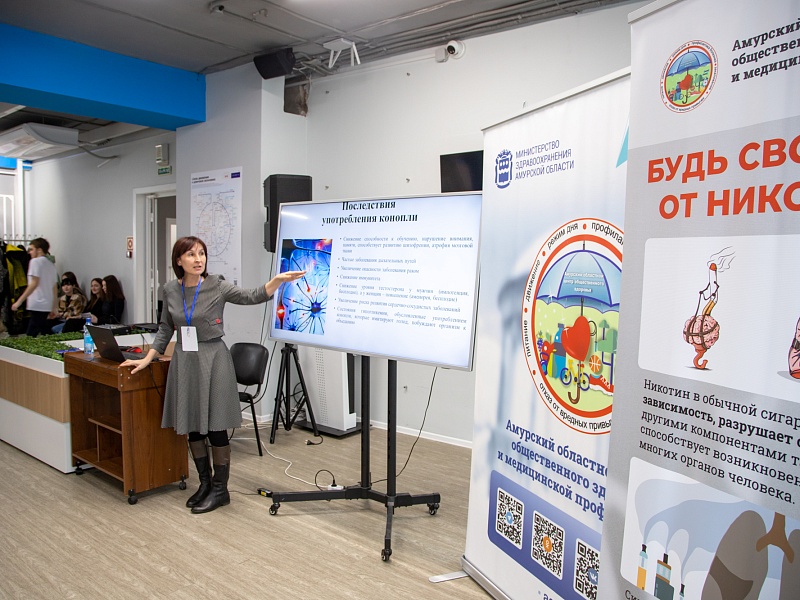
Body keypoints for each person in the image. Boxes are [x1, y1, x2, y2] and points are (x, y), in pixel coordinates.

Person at [122, 236, 305, 514]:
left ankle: (221, 490)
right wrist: (148, 358)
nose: (198, 259)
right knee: (193, 425)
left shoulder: (217, 285)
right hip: (185, 360)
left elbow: (251, 296)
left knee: (216, 425)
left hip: (213, 357)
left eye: (202, 253)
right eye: (191, 254)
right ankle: (205, 484)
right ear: (179, 260)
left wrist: (277, 281)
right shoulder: (170, 290)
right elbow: (165, 328)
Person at [10, 238, 59, 337]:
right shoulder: (51, 265)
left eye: (32, 249)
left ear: (39, 250)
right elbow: (54, 287)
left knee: (33, 332)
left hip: (37, 302)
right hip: (46, 304)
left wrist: (19, 301)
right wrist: (54, 306)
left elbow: (34, 283)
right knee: (40, 329)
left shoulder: (34, 262)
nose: (29, 252)